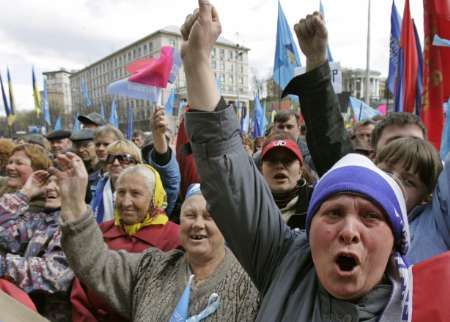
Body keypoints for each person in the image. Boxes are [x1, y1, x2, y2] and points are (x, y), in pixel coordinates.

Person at [55, 151, 260, 321]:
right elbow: (95, 263)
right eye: (189, 215)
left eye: (209, 216)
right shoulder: (151, 268)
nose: (198, 224)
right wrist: (74, 205)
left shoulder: (250, 284)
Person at [70, 165, 180, 322]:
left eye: (136, 194)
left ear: (153, 199)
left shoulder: (174, 239)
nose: (126, 202)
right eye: (121, 192)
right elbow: (80, 289)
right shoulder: (100, 231)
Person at [0, 172, 73, 321]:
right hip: (22, 309)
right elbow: (3, 234)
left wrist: (4, 264)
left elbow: (54, 275)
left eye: (58, 182)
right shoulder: (41, 220)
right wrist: (24, 193)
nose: (50, 187)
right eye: (49, 182)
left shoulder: (77, 226)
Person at [260, 131, 313, 229]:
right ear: (261, 169)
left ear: (300, 170)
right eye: (272, 160)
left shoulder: (317, 204)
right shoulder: (246, 206)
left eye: (288, 160)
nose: (280, 166)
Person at [91, 140, 142, 223]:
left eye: (123, 158)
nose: (115, 163)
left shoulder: (146, 190)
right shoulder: (94, 185)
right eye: (111, 158)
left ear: (137, 163)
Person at [71, 128, 102, 203]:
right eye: (78, 146)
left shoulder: (105, 171)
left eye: (85, 145)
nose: (81, 150)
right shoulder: (73, 170)